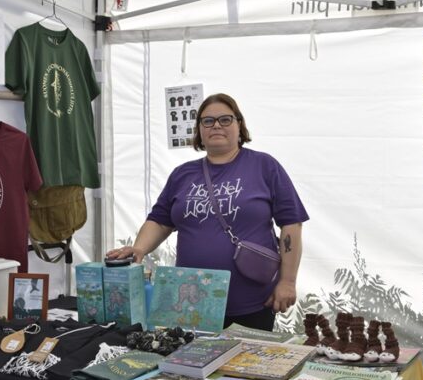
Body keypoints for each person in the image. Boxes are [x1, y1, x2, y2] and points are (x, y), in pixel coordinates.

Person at [107, 93, 308, 331]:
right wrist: (139, 248)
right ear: (199, 129)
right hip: (191, 305)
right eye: (208, 121)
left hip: (251, 304)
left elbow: (291, 225)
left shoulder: (265, 166)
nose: (216, 126)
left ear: (239, 125)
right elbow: (160, 221)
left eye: (225, 119)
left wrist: (287, 281)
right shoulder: (183, 174)